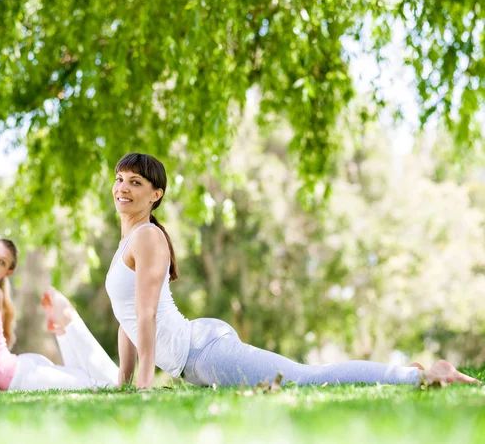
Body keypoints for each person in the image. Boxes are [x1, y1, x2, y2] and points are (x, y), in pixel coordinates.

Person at [105, 152, 481, 389]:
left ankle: (424, 374)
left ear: (156, 195)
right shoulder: (126, 243)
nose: (124, 187)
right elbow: (129, 319)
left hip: (203, 352)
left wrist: (144, 385)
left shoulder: (148, 237)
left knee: (306, 379)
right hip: (197, 353)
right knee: (301, 379)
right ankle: (400, 374)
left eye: (136, 182)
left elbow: (148, 313)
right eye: (120, 179)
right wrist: (123, 381)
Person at [0, 239, 118, 392]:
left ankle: (68, 319)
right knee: (90, 380)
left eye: (1, 262)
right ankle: (63, 326)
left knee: (103, 385)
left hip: (22, 376)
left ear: (7, 272)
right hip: (22, 369)